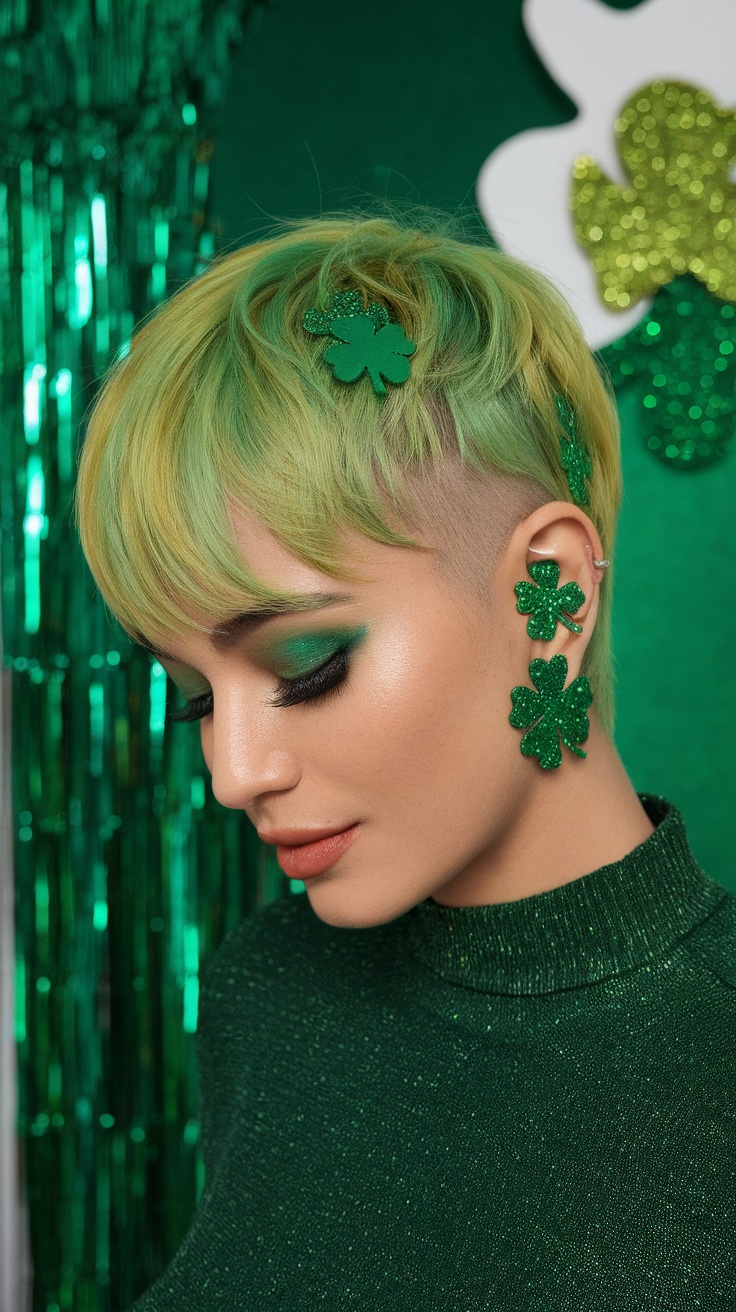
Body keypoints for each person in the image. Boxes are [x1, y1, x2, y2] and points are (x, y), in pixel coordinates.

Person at [75, 215, 735, 1310]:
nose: (234, 772)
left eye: (307, 662)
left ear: (552, 595)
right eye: (194, 695)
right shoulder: (266, 995)